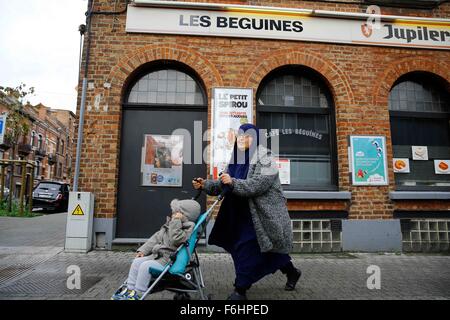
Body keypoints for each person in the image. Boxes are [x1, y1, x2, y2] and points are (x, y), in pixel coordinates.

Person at [192, 123, 301, 300]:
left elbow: (258, 184)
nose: (243, 139)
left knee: (246, 249)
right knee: (263, 251)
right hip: (236, 213)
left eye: (248, 136)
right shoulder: (235, 159)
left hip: (258, 215)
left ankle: (240, 289)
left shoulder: (266, 157)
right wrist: (205, 184)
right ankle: (291, 271)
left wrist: (233, 182)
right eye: (240, 136)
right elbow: (222, 183)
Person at [112, 199, 201, 300]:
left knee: (145, 266)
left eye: (176, 212)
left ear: (184, 215)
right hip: (157, 255)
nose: (172, 214)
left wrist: (176, 221)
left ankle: (139, 293)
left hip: (167, 259)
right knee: (137, 262)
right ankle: (129, 290)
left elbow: (176, 239)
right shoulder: (170, 224)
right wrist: (143, 250)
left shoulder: (188, 227)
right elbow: (156, 238)